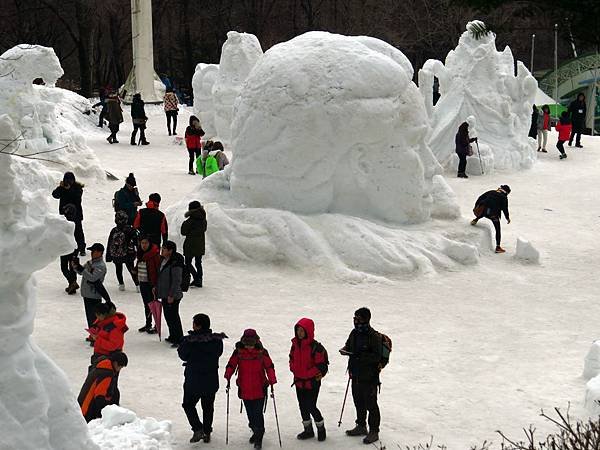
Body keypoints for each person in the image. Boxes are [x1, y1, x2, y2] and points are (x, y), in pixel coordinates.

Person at [178, 313, 226, 444]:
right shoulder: (216, 341)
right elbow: (219, 353)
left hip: (193, 380)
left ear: (197, 326)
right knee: (208, 407)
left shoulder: (189, 341)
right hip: (211, 380)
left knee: (188, 404)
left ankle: (197, 428)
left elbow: (182, 355)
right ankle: (207, 431)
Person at [224, 329, 277, 449]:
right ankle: (255, 430)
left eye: (251, 343)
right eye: (247, 343)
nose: (249, 346)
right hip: (245, 389)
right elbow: (231, 364)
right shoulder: (238, 352)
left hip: (260, 388)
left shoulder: (262, 353)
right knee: (250, 413)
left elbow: (269, 366)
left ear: (256, 341)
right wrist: (228, 374)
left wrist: (272, 379)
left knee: (257, 413)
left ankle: (259, 436)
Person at [339, 307, 384, 445]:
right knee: (358, 402)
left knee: (371, 405)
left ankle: (374, 431)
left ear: (366, 320)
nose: (356, 321)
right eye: (355, 318)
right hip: (356, 375)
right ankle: (361, 426)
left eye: (359, 319)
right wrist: (345, 350)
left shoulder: (373, 336)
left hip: (369, 377)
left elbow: (377, 356)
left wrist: (360, 356)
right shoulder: (354, 333)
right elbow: (348, 345)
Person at [289, 318, 328, 442]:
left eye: (302, 330)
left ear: (308, 331)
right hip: (299, 382)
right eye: (298, 330)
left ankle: (321, 428)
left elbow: (321, 365)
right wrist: (293, 368)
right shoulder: (295, 345)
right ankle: (308, 430)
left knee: (311, 406)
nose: (300, 333)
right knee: (302, 406)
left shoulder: (316, 347)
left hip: (312, 382)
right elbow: (291, 358)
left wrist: (306, 374)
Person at [77, 351, 128, 422]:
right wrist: (103, 416)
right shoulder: (106, 374)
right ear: (116, 363)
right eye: (120, 367)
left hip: (81, 406)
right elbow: (99, 397)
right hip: (87, 411)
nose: (119, 370)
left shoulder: (100, 367)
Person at [71, 243, 108, 329]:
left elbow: (92, 278)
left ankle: (96, 337)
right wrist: (76, 266)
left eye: (93, 251)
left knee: (95, 318)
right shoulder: (90, 262)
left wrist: (82, 269)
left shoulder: (101, 266)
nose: (91, 253)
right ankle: (92, 334)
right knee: (89, 317)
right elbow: (81, 272)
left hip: (94, 296)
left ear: (100, 253)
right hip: (87, 294)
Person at [156, 240, 185, 347]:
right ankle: (173, 335)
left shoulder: (176, 262)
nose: (162, 250)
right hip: (164, 293)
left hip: (173, 295)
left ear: (170, 250)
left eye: (164, 249)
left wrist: (171, 295)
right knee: (168, 316)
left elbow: (177, 280)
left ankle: (179, 338)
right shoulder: (164, 260)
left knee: (174, 316)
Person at [52, 171, 86, 255]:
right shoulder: (62, 188)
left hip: (76, 214)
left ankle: (81, 248)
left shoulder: (78, 188)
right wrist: (60, 187)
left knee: (78, 232)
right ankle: (66, 248)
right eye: (66, 180)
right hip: (64, 214)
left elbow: (77, 198)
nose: (68, 182)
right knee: (66, 231)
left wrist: (69, 189)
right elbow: (55, 195)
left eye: (70, 180)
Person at [470, 185, 511, 253]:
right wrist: (507, 218)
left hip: (483, 211)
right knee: (498, 229)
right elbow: (505, 209)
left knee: (485, 211)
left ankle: (476, 219)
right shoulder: (504, 198)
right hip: (493, 215)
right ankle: (498, 247)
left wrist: (476, 206)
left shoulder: (491, 192)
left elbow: (480, 198)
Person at [106, 211, 139, 291]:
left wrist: (108, 255)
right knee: (131, 269)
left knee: (118, 268)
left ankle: (121, 284)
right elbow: (136, 242)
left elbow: (110, 242)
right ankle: (137, 285)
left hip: (116, 254)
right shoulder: (131, 230)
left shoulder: (114, 230)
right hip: (128, 253)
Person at [135, 235, 161, 333]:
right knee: (147, 304)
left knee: (154, 305)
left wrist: (156, 285)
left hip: (151, 284)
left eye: (146, 243)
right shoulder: (140, 254)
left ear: (149, 243)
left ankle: (156, 325)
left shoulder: (154, 254)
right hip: (143, 282)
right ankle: (148, 323)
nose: (144, 245)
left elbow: (158, 270)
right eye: (142, 243)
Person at [181, 201, 207, 288]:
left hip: (190, 244)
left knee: (187, 262)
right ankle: (199, 279)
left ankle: (196, 278)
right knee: (198, 262)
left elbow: (183, 232)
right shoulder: (203, 219)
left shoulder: (190, 221)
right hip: (200, 244)